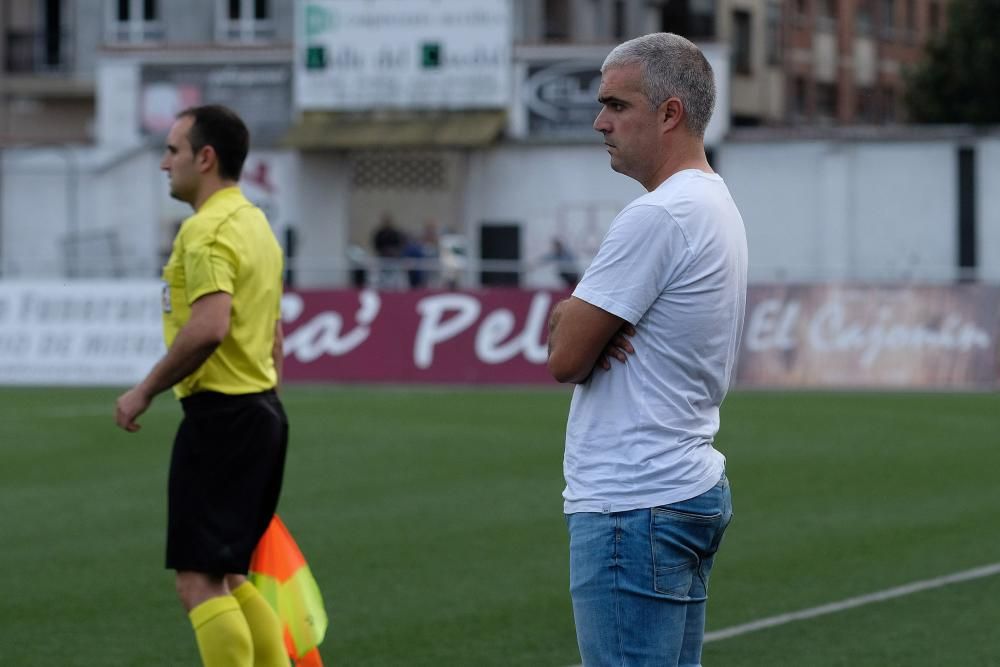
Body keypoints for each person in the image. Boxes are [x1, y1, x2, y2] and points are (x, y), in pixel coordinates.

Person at [546, 33, 748, 667]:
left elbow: (565, 355)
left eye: (616, 104)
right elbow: (578, 334)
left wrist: (577, 321)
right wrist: (583, 322)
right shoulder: (713, 202)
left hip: (632, 503)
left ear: (670, 113)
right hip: (676, 488)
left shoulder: (659, 215)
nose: (599, 122)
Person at [115, 105, 289, 667]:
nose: (164, 163)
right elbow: (274, 332)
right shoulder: (255, 222)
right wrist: (267, 401)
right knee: (231, 575)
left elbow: (210, 325)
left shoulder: (206, 228)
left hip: (222, 418)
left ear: (205, 157)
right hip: (261, 414)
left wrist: (144, 389)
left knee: (198, 582)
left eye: (172, 150)